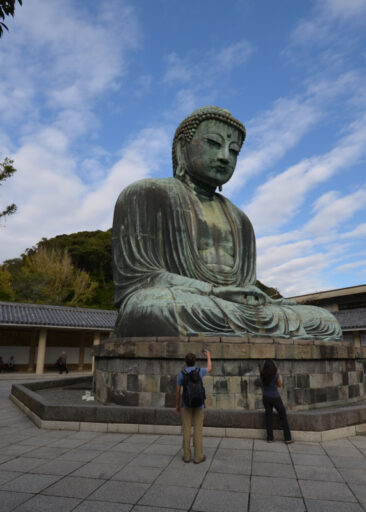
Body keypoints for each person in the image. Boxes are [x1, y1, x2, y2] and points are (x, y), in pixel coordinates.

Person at [112, 105, 342, 340]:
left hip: (231, 308)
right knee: (152, 307)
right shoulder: (144, 194)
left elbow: (245, 285)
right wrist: (212, 291)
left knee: (324, 320)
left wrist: (259, 298)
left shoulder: (240, 219)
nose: (224, 157)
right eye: (213, 143)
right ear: (182, 148)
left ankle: (253, 331)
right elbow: (142, 280)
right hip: (183, 301)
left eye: (233, 151)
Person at [176, 349, 212, 463]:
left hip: (186, 404)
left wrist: (177, 405)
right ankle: (198, 457)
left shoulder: (181, 374)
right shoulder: (199, 371)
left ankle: (186, 456)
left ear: (185, 362)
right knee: (198, 430)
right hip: (199, 404)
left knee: (186, 429)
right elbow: (210, 368)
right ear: (195, 362)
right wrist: (208, 356)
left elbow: (178, 392)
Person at [260, 359, 292, 443]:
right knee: (283, 415)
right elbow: (280, 385)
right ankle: (287, 438)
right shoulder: (276, 375)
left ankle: (270, 438)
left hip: (265, 397)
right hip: (275, 397)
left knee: (269, 417)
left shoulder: (262, 374)